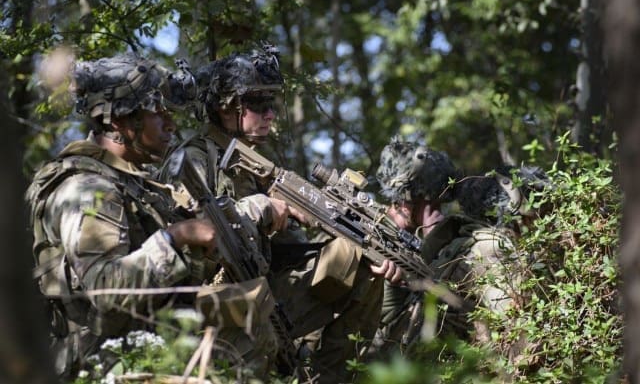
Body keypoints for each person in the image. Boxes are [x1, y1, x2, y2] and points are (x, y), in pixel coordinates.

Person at [26, 54, 280, 380]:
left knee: (253, 317)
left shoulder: (131, 182)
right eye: (156, 112)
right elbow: (105, 289)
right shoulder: (89, 188)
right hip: (100, 358)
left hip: (137, 335)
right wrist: (174, 238)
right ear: (120, 122)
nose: (170, 124)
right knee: (247, 337)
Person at [166, 43, 402, 383]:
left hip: (260, 290)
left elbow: (288, 247)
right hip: (212, 305)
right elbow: (188, 241)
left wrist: (356, 244)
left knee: (361, 265)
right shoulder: (195, 160)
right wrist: (260, 208)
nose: (270, 115)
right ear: (225, 106)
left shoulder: (252, 163)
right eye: (258, 104)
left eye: (272, 104)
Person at [372, 136, 541, 357]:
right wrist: (393, 284)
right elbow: (396, 331)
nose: (394, 206)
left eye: (397, 198)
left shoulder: (478, 248)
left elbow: (524, 338)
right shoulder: (444, 250)